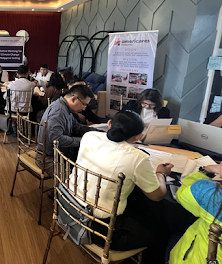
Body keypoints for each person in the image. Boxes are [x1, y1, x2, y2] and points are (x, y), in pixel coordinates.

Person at [75, 111, 175, 264]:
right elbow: (157, 195)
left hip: (71, 209)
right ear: (138, 136)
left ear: (109, 124)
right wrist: (161, 173)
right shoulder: (138, 158)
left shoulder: (89, 137)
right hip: (98, 229)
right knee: (161, 232)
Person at [170, 163, 222, 263]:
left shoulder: (210, 193)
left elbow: (181, 194)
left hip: (195, 259)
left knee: (172, 235)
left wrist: (207, 170)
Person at [37, 84, 95, 167]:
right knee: (75, 178)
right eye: (84, 104)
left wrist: (96, 131)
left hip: (57, 154)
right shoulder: (59, 111)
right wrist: (82, 141)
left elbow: (77, 126)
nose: (84, 108)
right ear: (74, 99)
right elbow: (56, 139)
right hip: (48, 158)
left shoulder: (65, 107)